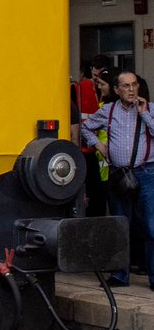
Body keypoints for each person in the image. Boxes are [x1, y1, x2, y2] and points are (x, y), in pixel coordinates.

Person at [80, 71, 154, 288]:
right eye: (126, 86)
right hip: (119, 175)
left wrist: (145, 115)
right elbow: (85, 127)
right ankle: (120, 275)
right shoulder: (108, 110)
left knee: (151, 227)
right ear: (117, 90)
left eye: (134, 85)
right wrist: (99, 146)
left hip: (147, 173)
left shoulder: (150, 108)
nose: (131, 90)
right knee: (120, 225)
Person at [74, 62, 105, 215]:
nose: (98, 85)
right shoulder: (79, 90)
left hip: (93, 153)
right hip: (90, 151)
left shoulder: (78, 90)